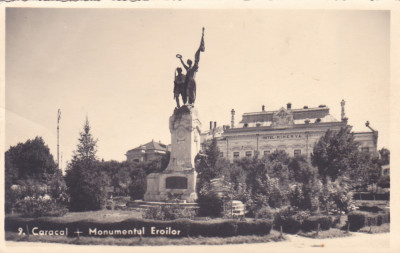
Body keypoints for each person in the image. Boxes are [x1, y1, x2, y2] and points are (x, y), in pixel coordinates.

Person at [177, 28, 205, 105]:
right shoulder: (188, 69)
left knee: (191, 91)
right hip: (188, 81)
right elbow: (183, 65)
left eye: (188, 62)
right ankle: (188, 102)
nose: (188, 63)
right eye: (188, 62)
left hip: (192, 81)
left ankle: (191, 103)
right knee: (187, 91)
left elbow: (197, 60)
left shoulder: (192, 69)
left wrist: (199, 50)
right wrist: (180, 59)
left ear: (190, 63)